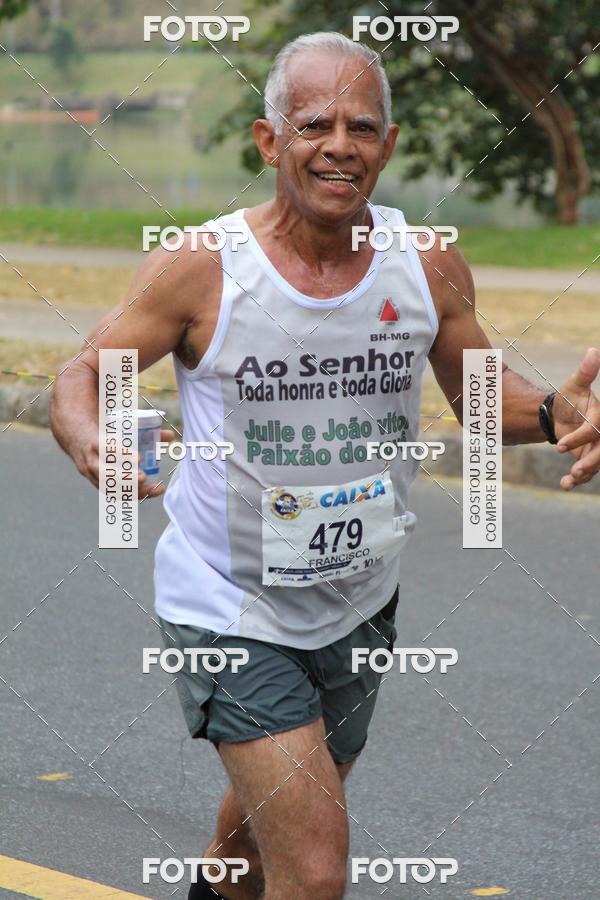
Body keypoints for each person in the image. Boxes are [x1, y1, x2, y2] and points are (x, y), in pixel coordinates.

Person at [50, 31, 600, 900]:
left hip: (359, 597)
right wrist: (89, 439)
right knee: (313, 868)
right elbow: (84, 370)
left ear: (386, 146)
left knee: (256, 849)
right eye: (314, 125)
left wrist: (558, 414)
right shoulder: (202, 268)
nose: (339, 145)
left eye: (362, 127)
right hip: (229, 599)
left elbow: (483, 400)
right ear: (271, 142)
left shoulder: (426, 264)